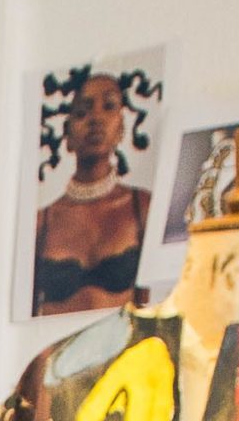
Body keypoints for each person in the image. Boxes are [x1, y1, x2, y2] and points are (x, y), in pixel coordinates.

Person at [31, 70, 154, 315]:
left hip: (128, 351)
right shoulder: (42, 221)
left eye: (109, 106)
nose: (95, 118)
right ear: (67, 135)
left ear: (121, 129)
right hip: (56, 351)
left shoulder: (142, 207)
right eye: (82, 112)